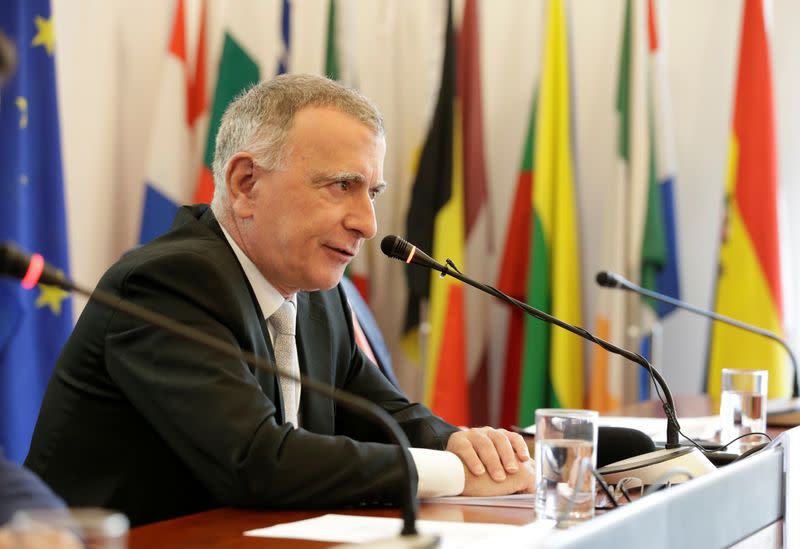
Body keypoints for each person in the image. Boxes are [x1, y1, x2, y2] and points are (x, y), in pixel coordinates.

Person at [25, 74, 533, 526]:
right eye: (341, 186)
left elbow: (382, 413)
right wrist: (453, 474)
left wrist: (458, 444)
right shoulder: (168, 283)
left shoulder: (316, 295)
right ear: (245, 184)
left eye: (372, 193)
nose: (368, 223)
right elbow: (256, 461)